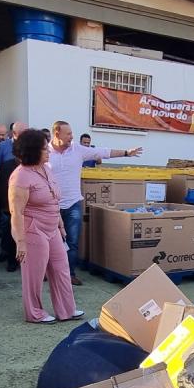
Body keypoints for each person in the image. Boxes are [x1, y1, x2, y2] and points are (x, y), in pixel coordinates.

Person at [47, 120, 142, 286]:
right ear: (57, 134)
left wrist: (126, 153)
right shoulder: (45, 152)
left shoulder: (77, 150)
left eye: (71, 133)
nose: (72, 136)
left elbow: (102, 152)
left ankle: (69, 275)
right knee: (49, 242)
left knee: (72, 242)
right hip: (50, 206)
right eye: (68, 134)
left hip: (73, 204)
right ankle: (47, 273)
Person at [9, 129, 81, 324]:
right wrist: (21, 242)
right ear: (32, 151)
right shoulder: (20, 176)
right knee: (34, 274)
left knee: (61, 268)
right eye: (44, 148)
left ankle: (67, 310)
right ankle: (35, 313)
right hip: (33, 230)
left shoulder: (46, 168)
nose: (48, 150)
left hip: (52, 228)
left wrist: (61, 225)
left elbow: (53, 201)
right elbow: (16, 212)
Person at [0, 122, 24, 271]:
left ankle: (20, 257)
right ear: (13, 134)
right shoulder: (3, 147)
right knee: (9, 226)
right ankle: (10, 257)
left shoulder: (30, 146)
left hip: (25, 194)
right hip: (7, 193)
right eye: (21, 133)